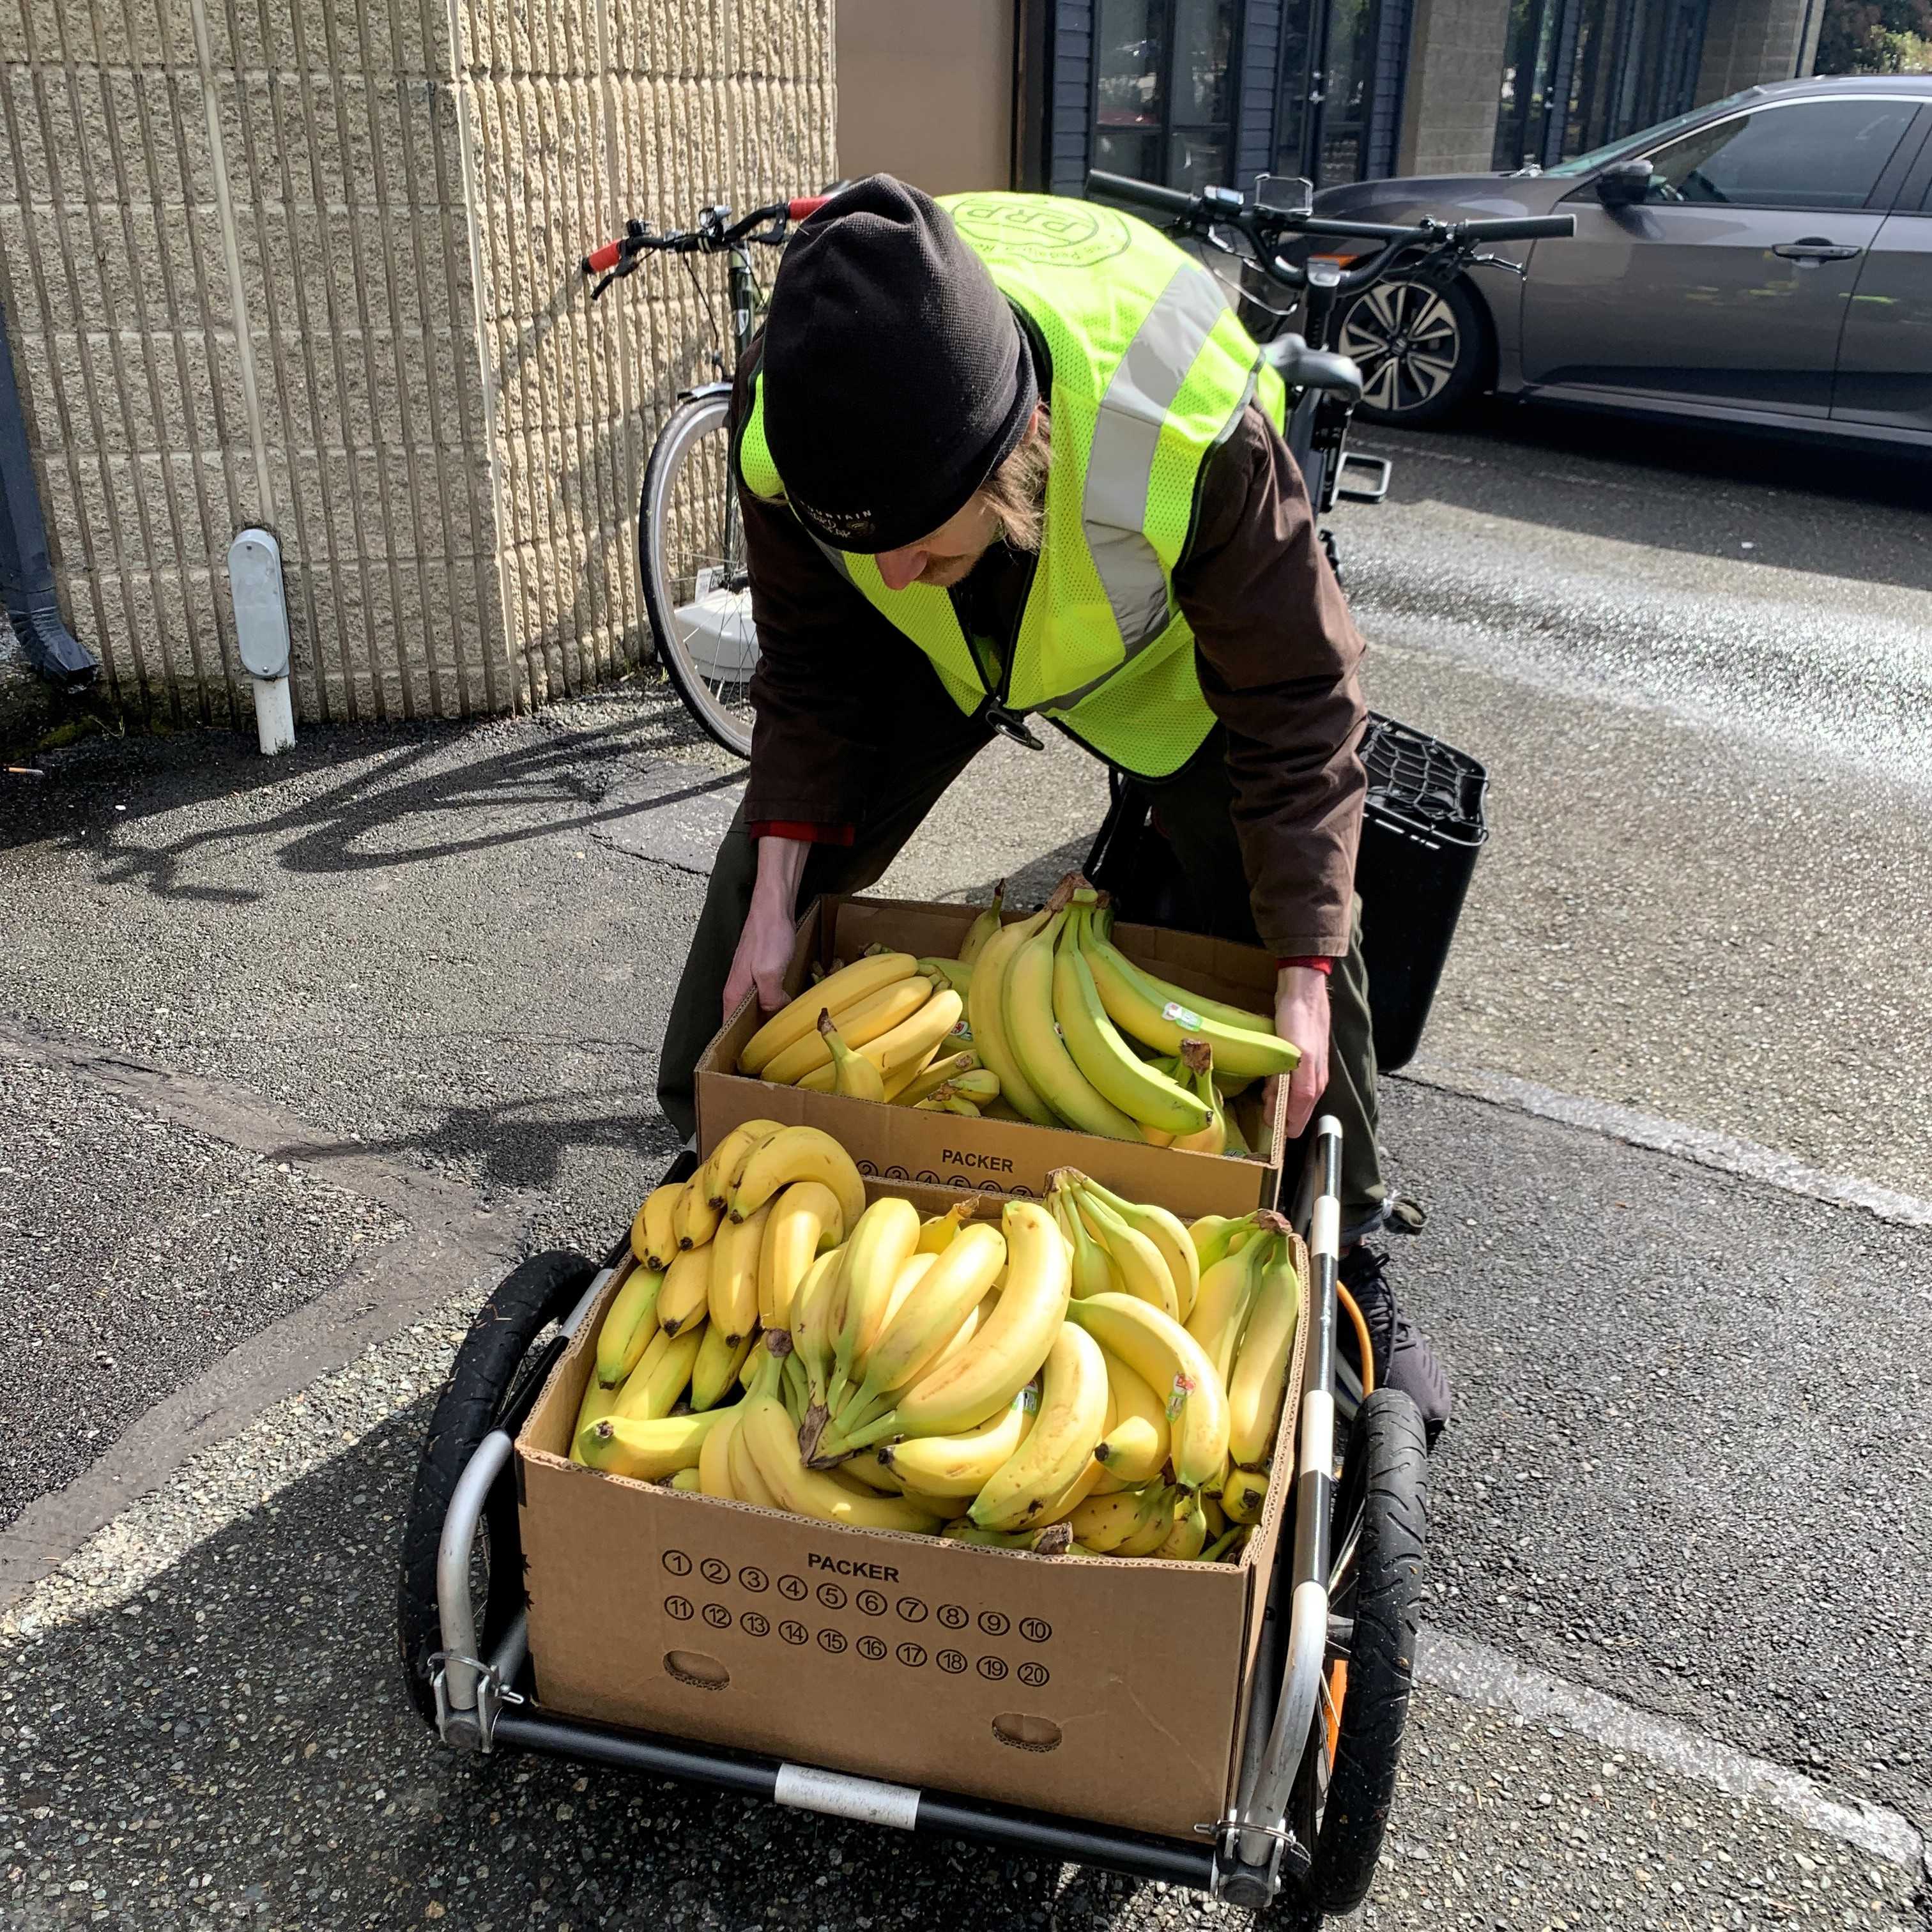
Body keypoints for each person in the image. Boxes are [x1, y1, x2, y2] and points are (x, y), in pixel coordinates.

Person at [656, 176, 1449, 1440]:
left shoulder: (1182, 417)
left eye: (920, 532)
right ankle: (708, 1178)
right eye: (863, 543)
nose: (893, 566)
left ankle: (1355, 1264)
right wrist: (777, 886)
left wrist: (1299, 959)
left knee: (1298, 947)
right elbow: (807, 672)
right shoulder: (795, 412)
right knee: (756, 921)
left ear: (1015, 439)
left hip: (1162, 664)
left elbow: (1301, 698)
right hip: (917, 668)